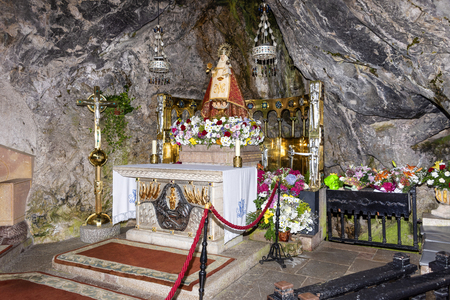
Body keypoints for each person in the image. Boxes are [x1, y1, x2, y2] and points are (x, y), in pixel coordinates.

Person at [200, 43, 249, 119]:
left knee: (224, 101)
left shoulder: (228, 68)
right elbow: (214, 75)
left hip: (225, 88)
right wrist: (212, 72)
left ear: (226, 56)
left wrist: (226, 70)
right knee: (217, 101)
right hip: (217, 88)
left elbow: (231, 78)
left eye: (223, 56)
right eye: (221, 56)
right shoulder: (217, 67)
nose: (222, 57)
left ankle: (224, 111)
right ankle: (218, 111)